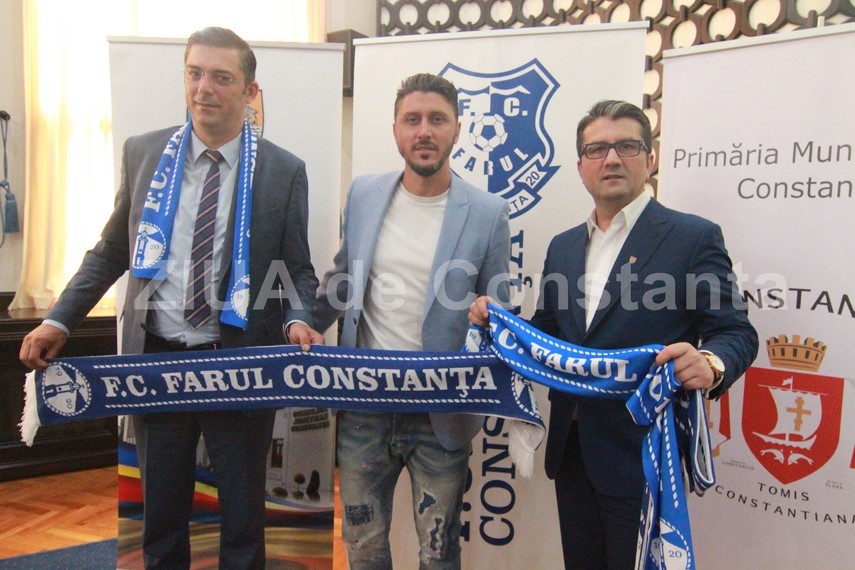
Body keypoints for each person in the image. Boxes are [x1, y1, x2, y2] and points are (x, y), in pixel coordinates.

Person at [19, 27, 322, 569]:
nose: (204, 88)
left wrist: (299, 318)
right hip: (157, 367)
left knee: (243, 522)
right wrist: (59, 321)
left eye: (221, 77)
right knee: (159, 520)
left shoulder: (283, 171)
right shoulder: (144, 153)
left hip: (239, 369)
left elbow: (297, 269)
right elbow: (111, 252)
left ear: (250, 91)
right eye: (194, 73)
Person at [470, 100, 758, 569]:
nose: (611, 159)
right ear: (580, 166)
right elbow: (549, 332)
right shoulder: (564, 246)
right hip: (572, 449)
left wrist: (710, 363)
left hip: (644, 452)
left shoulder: (692, 238)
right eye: (596, 149)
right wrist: (500, 323)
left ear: (649, 158)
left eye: (627, 146)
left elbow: (735, 331)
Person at [313, 73, 510, 569]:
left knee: (439, 552)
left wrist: (492, 313)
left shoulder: (488, 213)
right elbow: (343, 278)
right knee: (362, 546)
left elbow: (501, 305)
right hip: (364, 407)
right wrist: (307, 321)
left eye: (437, 119)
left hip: (441, 414)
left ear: (457, 130)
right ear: (396, 130)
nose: (424, 131)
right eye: (412, 119)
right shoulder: (364, 194)